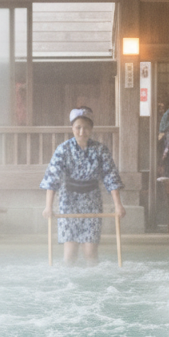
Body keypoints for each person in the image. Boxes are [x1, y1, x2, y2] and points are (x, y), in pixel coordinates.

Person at [41, 107, 126, 265]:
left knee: (90, 252)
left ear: (91, 129)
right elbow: (52, 179)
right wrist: (48, 207)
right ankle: (70, 286)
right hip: (68, 200)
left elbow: (110, 177)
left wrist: (118, 205)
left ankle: (92, 286)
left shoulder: (100, 150)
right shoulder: (63, 150)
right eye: (78, 127)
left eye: (86, 127)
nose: (82, 131)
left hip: (92, 199)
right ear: (72, 128)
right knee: (70, 252)